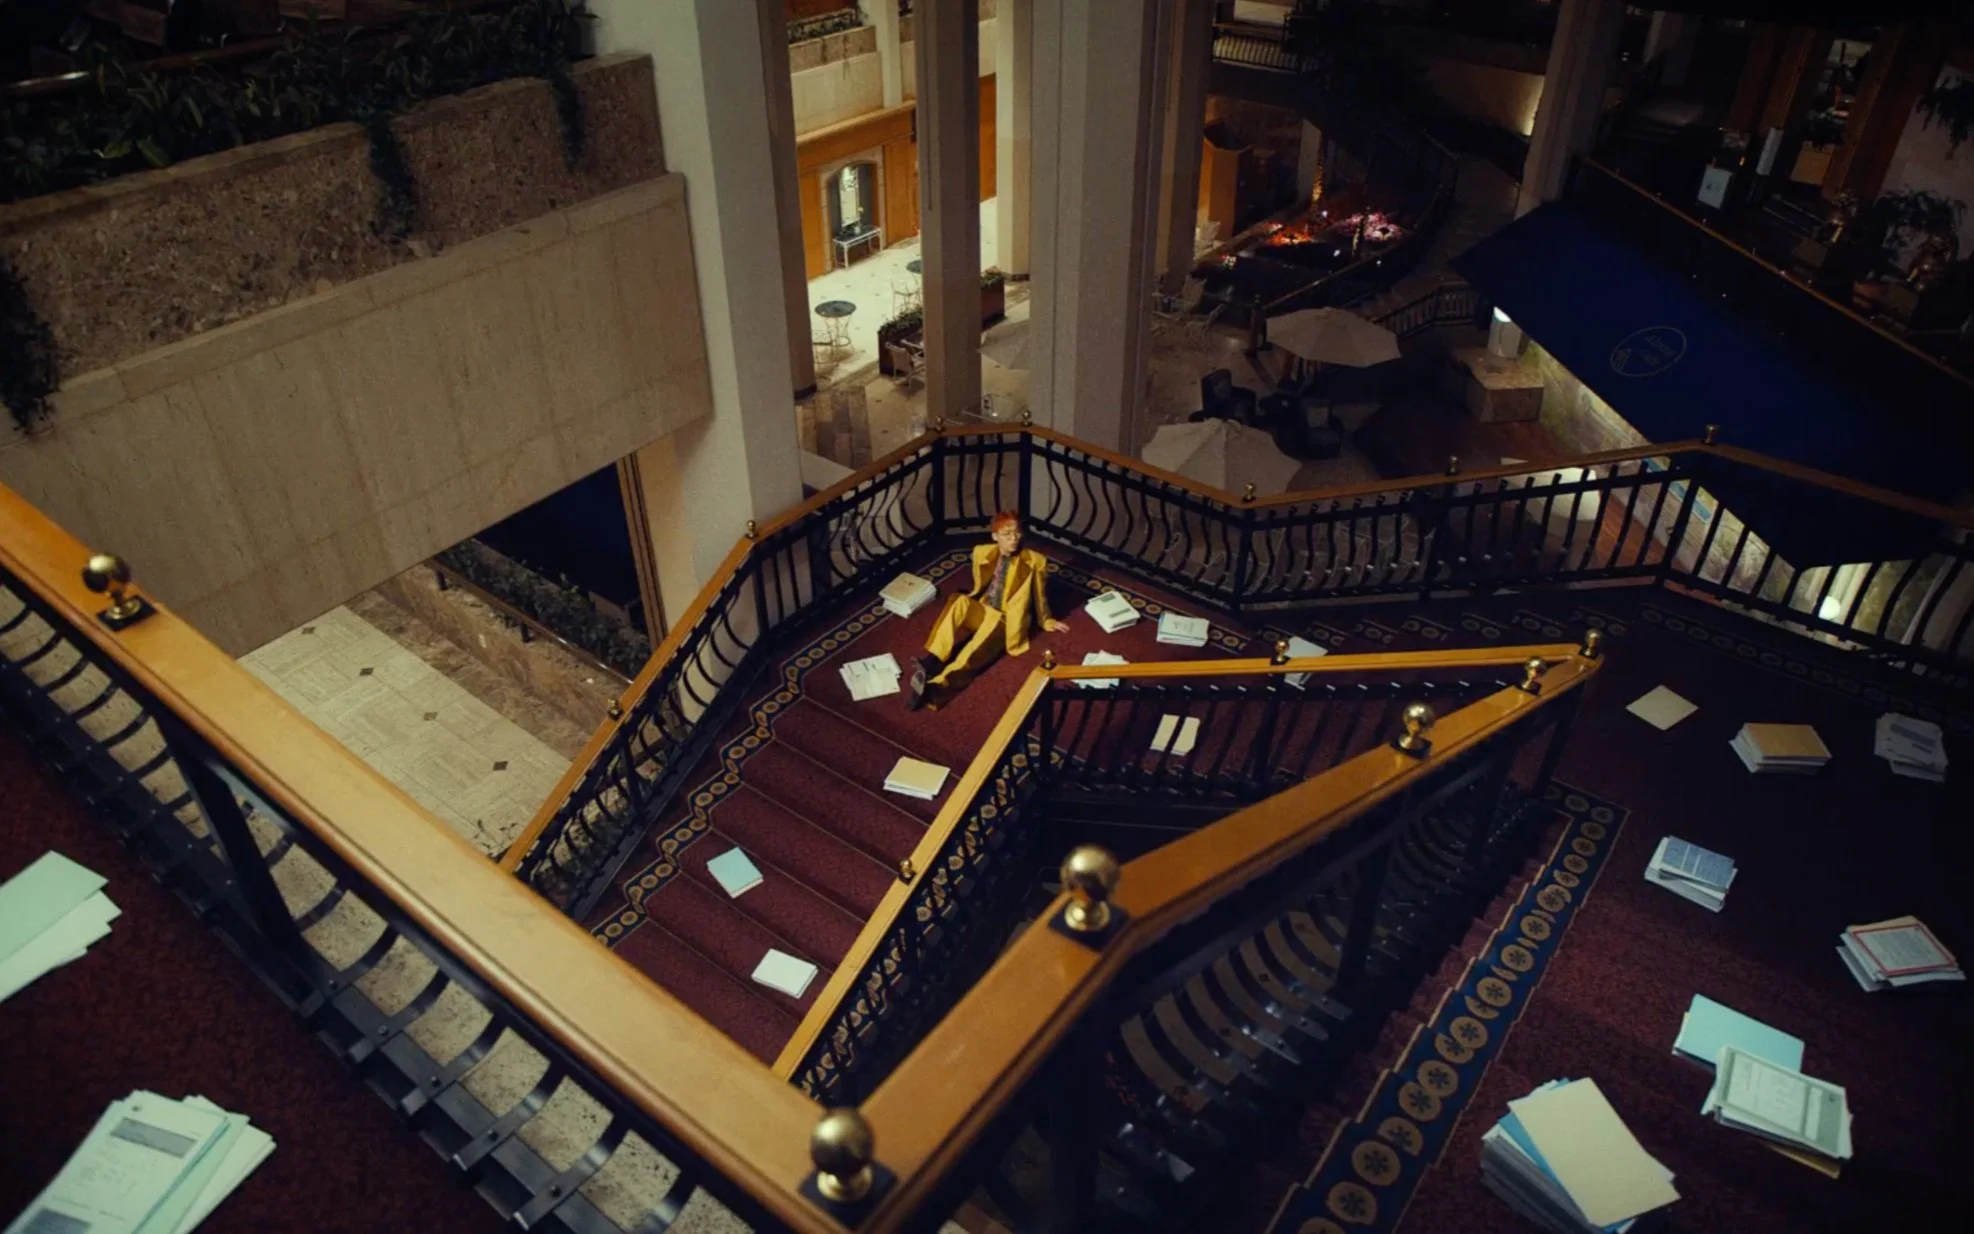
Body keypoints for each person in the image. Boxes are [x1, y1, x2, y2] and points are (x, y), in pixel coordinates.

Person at [907, 511, 1069, 710]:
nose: (1014, 538)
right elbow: (980, 585)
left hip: (1005, 619)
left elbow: (1039, 594)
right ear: (995, 536)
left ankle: (936, 689)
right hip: (985, 608)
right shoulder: (982, 553)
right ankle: (932, 661)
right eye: (1007, 534)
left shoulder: (1035, 561)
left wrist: (1046, 620)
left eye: (1017, 533)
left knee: (971, 652)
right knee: (959, 602)